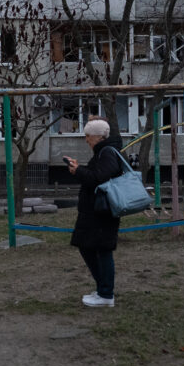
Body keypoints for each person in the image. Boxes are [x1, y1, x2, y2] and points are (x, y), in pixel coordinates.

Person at [65, 118, 123, 308]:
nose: (86, 139)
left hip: (102, 212)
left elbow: (99, 178)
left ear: (98, 137)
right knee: (88, 247)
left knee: (101, 250)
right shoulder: (104, 152)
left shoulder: (107, 153)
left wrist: (79, 171)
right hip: (96, 211)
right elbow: (96, 175)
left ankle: (106, 294)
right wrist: (79, 169)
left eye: (88, 136)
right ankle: (102, 289)